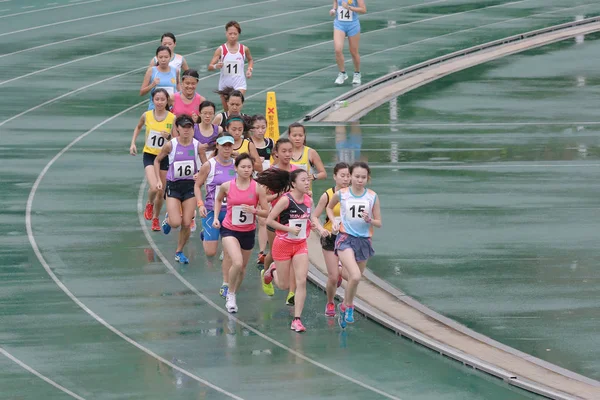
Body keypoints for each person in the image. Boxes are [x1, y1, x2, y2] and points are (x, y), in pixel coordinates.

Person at [258, 169, 329, 332]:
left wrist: (319, 229)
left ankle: (297, 319)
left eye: (308, 180)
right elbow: (269, 220)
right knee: (283, 285)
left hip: (300, 245)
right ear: (293, 184)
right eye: (303, 180)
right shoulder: (285, 200)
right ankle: (271, 271)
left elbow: (310, 219)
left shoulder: (309, 201)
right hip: (282, 244)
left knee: (301, 281)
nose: (306, 182)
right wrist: (287, 228)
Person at [326, 162, 381, 328]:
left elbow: (379, 222)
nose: (360, 180)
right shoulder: (342, 194)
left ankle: (344, 304)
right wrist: (334, 222)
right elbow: (329, 207)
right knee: (355, 275)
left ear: (368, 178)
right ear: (350, 177)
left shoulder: (372, 196)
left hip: (363, 241)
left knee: (355, 279)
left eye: (363, 177)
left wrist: (369, 220)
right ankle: (349, 306)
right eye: (356, 176)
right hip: (345, 239)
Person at [212, 154, 269, 313]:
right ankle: (230, 294)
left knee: (242, 268)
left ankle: (233, 291)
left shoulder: (258, 188)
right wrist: (216, 217)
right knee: (236, 262)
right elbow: (218, 200)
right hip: (229, 229)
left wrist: (255, 211)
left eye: (249, 167)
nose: (246, 170)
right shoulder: (227, 186)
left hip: (248, 231)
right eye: (243, 167)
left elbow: (267, 212)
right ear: (235, 168)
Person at [153, 114, 203, 264]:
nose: (187, 130)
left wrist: (200, 174)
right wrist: (158, 180)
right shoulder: (171, 145)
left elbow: (207, 167)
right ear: (178, 129)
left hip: (189, 187)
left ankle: (179, 251)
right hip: (174, 186)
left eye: (189, 127)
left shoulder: (197, 145)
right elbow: (157, 161)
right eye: (183, 127)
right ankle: (168, 220)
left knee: (187, 223)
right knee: (176, 223)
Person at [194, 132, 236, 297]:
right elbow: (197, 186)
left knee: (227, 251)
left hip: (231, 213)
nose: (226, 149)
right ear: (217, 145)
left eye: (229, 145)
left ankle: (225, 283)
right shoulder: (209, 165)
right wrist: (200, 204)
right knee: (210, 253)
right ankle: (205, 234)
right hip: (212, 210)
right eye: (223, 145)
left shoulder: (237, 165)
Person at [129, 89, 175, 231]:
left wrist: (168, 137)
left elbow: (175, 139)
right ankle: (149, 203)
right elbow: (138, 127)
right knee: (155, 186)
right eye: (157, 99)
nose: (160, 102)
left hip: (164, 157)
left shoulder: (172, 118)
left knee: (161, 191)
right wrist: (133, 143)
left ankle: (155, 218)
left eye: (162, 99)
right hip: (149, 155)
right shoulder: (147, 115)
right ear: (152, 100)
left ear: (167, 101)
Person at [260, 138, 297, 301]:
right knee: (274, 254)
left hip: (295, 220)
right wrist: (278, 196)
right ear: (276, 153)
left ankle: (292, 293)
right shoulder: (270, 173)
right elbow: (262, 198)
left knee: (295, 256)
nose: (288, 154)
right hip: (276, 220)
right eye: (284, 151)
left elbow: (305, 192)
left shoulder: (297, 171)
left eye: (290, 151)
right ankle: (266, 274)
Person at [312, 162, 350, 317]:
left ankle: (347, 303)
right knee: (333, 277)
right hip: (330, 238)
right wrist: (321, 230)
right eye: (342, 176)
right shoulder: (327, 195)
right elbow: (314, 216)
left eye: (348, 176)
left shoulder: (355, 195)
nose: (346, 179)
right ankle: (330, 302)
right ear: (335, 176)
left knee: (352, 276)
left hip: (348, 239)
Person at [208, 21, 254, 111]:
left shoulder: (244, 49)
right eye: (230, 33)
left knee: (236, 107)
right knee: (227, 111)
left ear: (238, 34)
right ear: (226, 34)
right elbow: (210, 66)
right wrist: (216, 66)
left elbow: (250, 60)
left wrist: (249, 69)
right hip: (225, 85)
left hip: (239, 84)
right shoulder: (221, 50)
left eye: (235, 34)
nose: (232, 36)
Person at [249, 115, 274, 264]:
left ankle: (262, 252)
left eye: (263, 127)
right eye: (257, 127)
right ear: (251, 129)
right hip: (251, 183)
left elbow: (275, 161)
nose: (260, 130)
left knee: (263, 220)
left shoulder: (270, 143)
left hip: (266, 185)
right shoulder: (248, 143)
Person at [330, 0, 367, 85]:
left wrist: (349, 7)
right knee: (338, 50)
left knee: (353, 51)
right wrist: (333, 10)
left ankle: (357, 73)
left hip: (353, 25)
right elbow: (335, 2)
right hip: (339, 24)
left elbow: (363, 10)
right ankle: (342, 73)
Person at [288, 123, 327, 188]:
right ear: (289, 136)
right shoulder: (285, 152)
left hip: (306, 195)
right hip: (288, 194)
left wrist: (314, 176)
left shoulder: (311, 152)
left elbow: (323, 174)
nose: (297, 138)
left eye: (300, 135)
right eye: (294, 135)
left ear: (304, 136)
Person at [140, 46, 179, 110]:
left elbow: (178, 87)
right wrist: (152, 85)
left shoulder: (175, 71)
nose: (163, 60)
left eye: (166, 57)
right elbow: (142, 92)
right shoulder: (151, 71)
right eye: (160, 57)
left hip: (171, 110)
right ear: (157, 58)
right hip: (154, 110)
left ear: (170, 57)